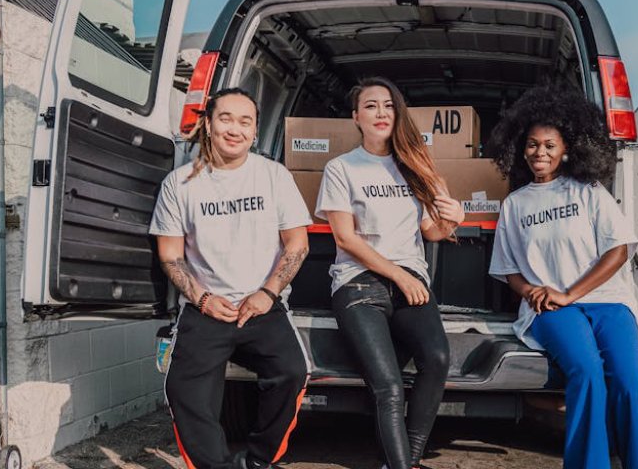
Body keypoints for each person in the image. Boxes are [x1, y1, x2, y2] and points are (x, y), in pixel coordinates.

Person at [486, 85, 638, 469]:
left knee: (629, 381)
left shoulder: (589, 191)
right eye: (532, 145)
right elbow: (508, 268)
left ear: (567, 149)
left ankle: (637, 461)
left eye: (549, 145)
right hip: (549, 308)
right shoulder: (515, 204)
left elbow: (619, 249)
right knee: (586, 371)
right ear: (520, 148)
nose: (540, 153)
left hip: (607, 302)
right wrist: (530, 290)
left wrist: (572, 292)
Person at [150, 88, 312, 469]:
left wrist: (267, 294)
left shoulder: (273, 176)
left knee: (292, 373)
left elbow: (297, 245)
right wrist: (203, 298)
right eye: (226, 118)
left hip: (262, 306)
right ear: (208, 123)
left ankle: (257, 461)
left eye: (246, 121)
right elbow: (170, 255)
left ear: (255, 131)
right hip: (206, 308)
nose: (235, 129)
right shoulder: (179, 183)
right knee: (182, 389)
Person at [315, 77, 464, 469]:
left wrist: (454, 218)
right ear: (356, 118)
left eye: (388, 105)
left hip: (410, 281)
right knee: (389, 387)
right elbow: (345, 239)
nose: (381, 113)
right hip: (358, 284)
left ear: (398, 113)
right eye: (370, 106)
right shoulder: (341, 168)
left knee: (436, 359)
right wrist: (399, 277)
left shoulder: (419, 166)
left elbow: (432, 230)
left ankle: (406, 462)